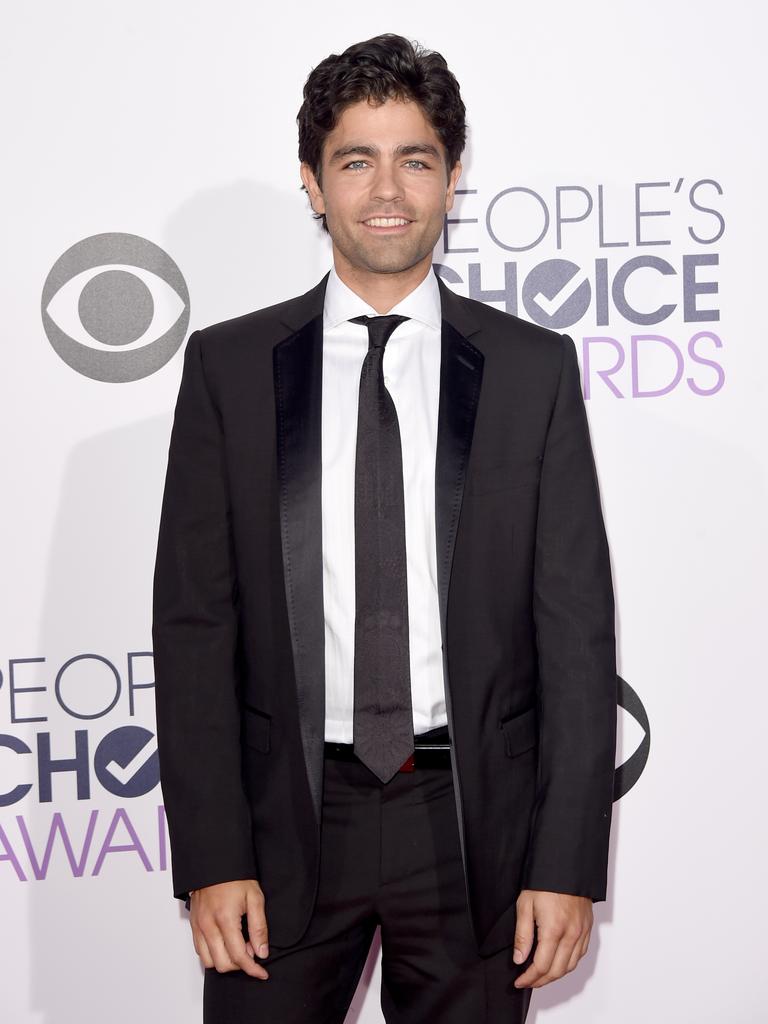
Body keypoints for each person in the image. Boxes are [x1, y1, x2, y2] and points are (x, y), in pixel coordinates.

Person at [152, 32, 617, 1024]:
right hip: (281, 832)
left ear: (453, 178)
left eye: (415, 158)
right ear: (315, 187)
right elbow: (194, 633)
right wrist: (213, 855)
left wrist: (567, 861)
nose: (387, 190)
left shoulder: (533, 372)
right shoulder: (228, 370)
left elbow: (577, 635)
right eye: (355, 161)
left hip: (473, 833)